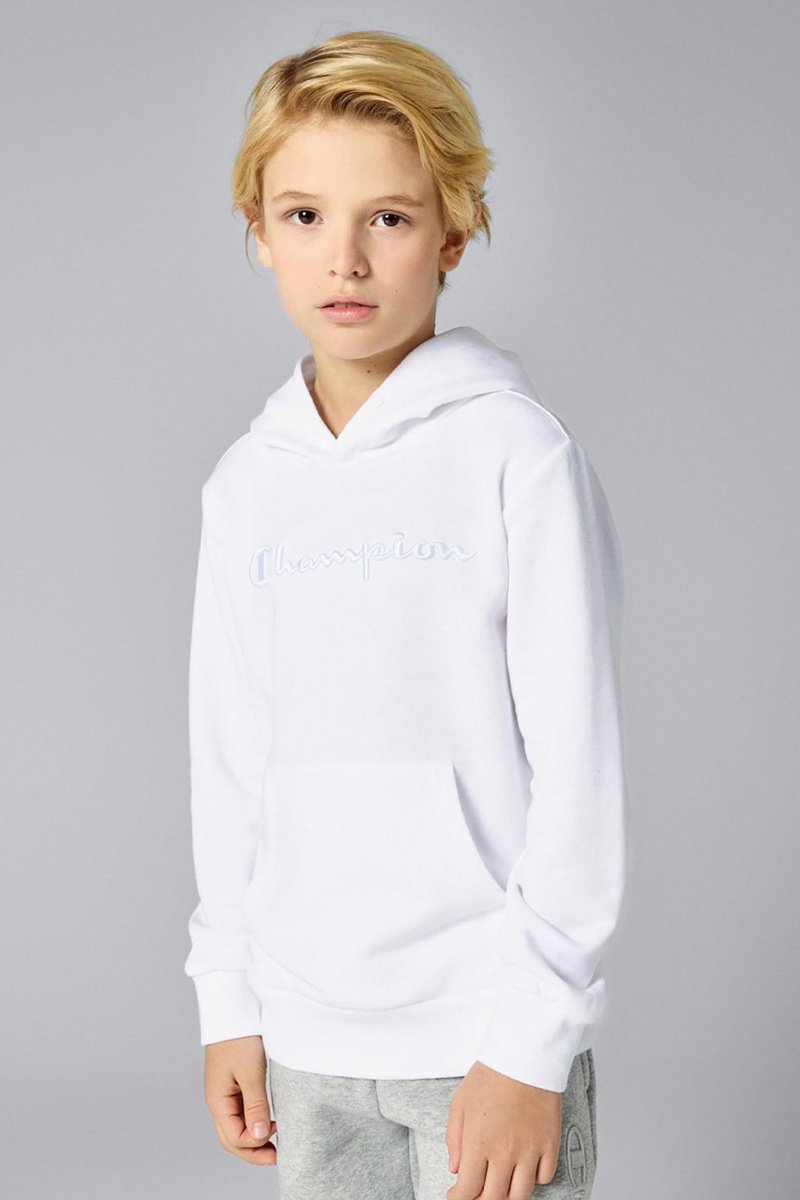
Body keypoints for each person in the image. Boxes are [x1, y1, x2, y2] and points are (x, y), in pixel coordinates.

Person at [183, 28, 628, 1200]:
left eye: (386, 217)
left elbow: (578, 768)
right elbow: (229, 762)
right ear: (257, 231)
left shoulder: (515, 457)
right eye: (303, 216)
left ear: (453, 233)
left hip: (481, 1036)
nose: (344, 258)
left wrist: (530, 1039)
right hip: (305, 1039)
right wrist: (229, 1002)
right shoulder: (246, 486)